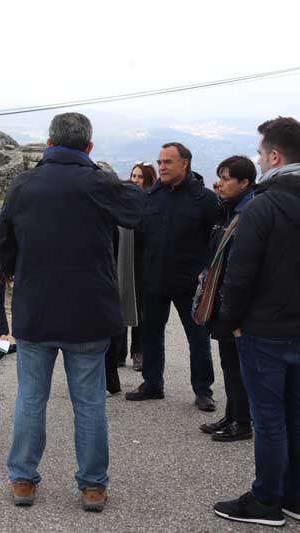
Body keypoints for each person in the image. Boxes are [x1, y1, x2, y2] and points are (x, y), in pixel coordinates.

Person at [0, 113, 144, 511]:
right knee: (90, 403)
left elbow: (4, 246)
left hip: (36, 309)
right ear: (89, 148)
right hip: (88, 312)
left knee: (30, 398)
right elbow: (137, 210)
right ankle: (93, 486)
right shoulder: (98, 182)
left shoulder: (23, 185)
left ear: (48, 143)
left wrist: (17, 273)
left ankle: (23, 480)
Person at [213, 117, 300, 526]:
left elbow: (241, 273)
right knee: (295, 415)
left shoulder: (263, 204)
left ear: (275, 156)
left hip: (263, 329)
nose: (258, 161)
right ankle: (298, 498)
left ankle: (265, 501)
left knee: (270, 419)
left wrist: (230, 323)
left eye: (260, 154)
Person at [125, 143, 218, 412]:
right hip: (154, 279)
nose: (162, 167)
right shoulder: (152, 196)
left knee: (198, 339)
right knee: (151, 335)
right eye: (160, 161)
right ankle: (152, 383)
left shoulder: (205, 199)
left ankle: (203, 390)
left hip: (190, 283)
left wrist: (205, 274)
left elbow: (214, 242)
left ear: (184, 164)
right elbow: (141, 235)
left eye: (167, 162)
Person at [197, 156, 256, 442]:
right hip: (221, 301)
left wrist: (235, 314)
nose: (218, 183)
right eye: (218, 176)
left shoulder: (247, 215)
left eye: (226, 178)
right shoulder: (226, 211)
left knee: (237, 366)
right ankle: (233, 414)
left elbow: (243, 269)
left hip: (236, 307)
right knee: (229, 364)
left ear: (244, 183)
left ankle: (242, 422)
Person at [120, 162, 156, 371]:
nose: (135, 180)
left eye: (140, 177)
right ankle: (119, 352)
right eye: (133, 176)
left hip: (142, 262)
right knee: (120, 305)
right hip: (124, 258)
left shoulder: (150, 205)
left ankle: (138, 352)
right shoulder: (124, 201)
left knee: (140, 310)